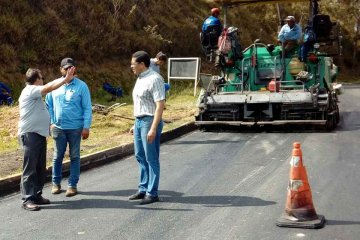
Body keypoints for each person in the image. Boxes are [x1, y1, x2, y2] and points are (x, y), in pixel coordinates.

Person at [18, 67, 75, 211]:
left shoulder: (34, 94)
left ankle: (36, 195)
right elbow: (49, 87)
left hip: (38, 135)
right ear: (36, 80)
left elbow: (48, 85)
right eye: (41, 78)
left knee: (39, 167)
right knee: (30, 168)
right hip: (30, 135)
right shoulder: (30, 90)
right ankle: (28, 199)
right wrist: (65, 79)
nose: (43, 80)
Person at [45, 58, 92, 197]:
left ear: (74, 69)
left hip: (75, 128)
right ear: (61, 69)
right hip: (58, 128)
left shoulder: (81, 86)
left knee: (75, 156)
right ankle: (56, 183)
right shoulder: (54, 86)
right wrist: (51, 122)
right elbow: (49, 105)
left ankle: (72, 185)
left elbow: (87, 108)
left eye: (70, 68)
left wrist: (86, 126)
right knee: (57, 156)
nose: (68, 70)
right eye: (65, 68)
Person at [129, 51, 165, 205]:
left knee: (151, 158)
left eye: (133, 64)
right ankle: (143, 188)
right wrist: (135, 122)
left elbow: (160, 105)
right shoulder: (140, 78)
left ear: (142, 64)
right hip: (139, 121)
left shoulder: (155, 79)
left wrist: (153, 128)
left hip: (150, 121)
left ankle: (152, 192)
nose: (131, 67)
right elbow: (141, 103)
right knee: (140, 156)